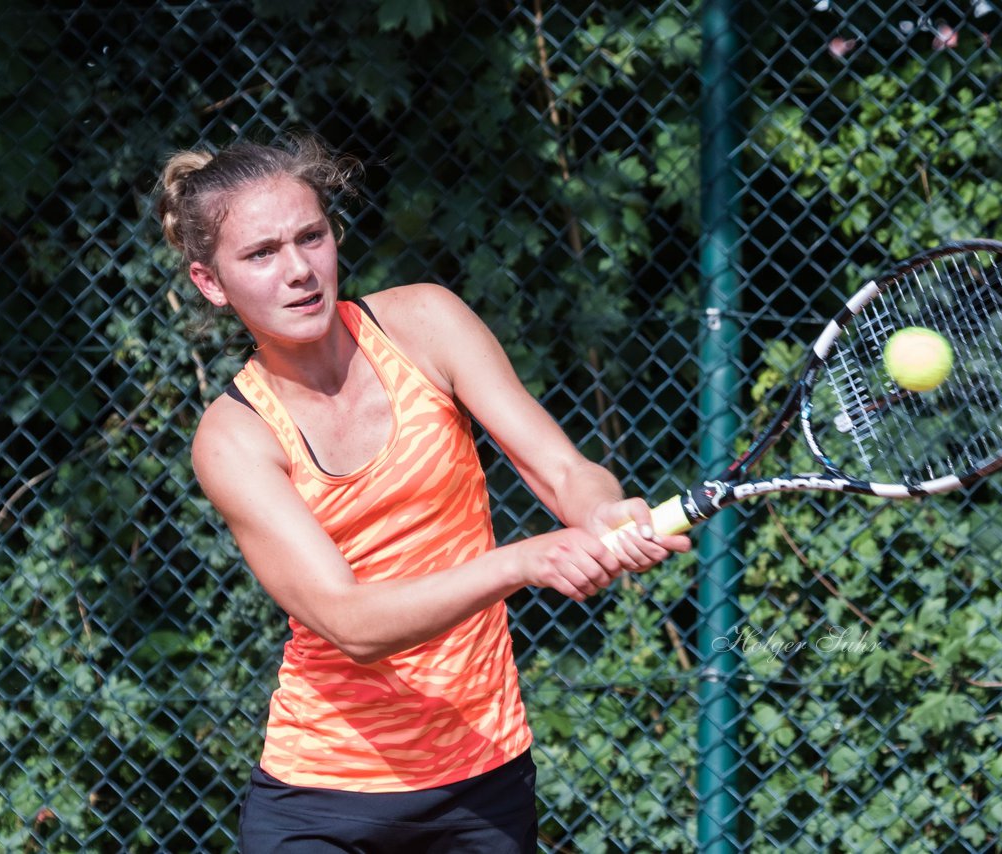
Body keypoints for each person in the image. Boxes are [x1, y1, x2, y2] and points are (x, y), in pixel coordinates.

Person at [156, 134, 691, 854]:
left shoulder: (426, 322)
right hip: (322, 802)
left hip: (484, 776)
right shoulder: (233, 439)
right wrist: (521, 563)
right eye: (261, 254)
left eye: (311, 237)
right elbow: (351, 622)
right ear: (210, 283)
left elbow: (564, 471)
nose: (298, 271)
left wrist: (603, 511)